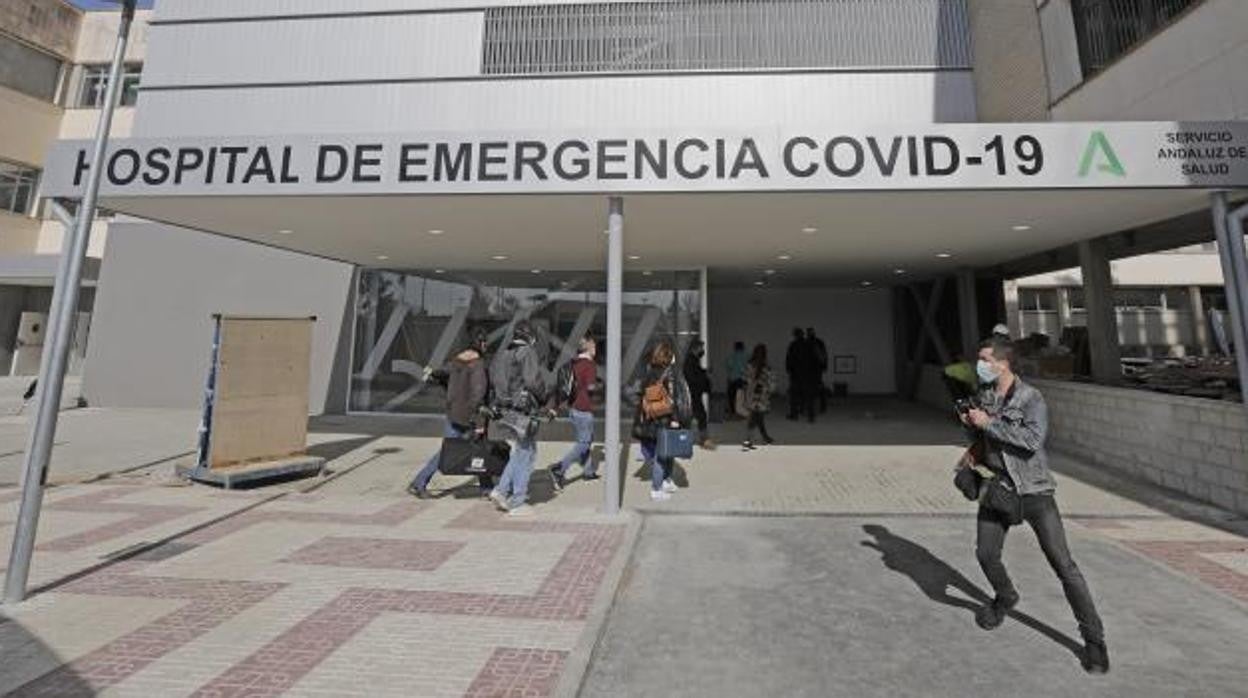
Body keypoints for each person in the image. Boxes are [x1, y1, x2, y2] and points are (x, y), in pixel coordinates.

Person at [959, 338, 1108, 674]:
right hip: (997, 489)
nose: (979, 365)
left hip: (1035, 492)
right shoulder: (985, 396)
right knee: (985, 553)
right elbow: (986, 439)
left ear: (1002, 363)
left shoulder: (1031, 398)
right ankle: (1005, 596)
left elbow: (1031, 441)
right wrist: (972, 426)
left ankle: (1094, 640)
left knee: (1064, 567)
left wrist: (989, 424)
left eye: (984, 360)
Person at [407, 331, 492, 499]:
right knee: (480, 451)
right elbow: (478, 394)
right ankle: (487, 489)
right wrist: (480, 421)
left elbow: (440, 374)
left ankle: (420, 482)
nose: (486, 346)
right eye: (485, 343)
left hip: (454, 415)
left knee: (448, 451)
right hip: (470, 417)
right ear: (480, 344)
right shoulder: (478, 364)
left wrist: (431, 374)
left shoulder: (455, 361)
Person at [488, 321, 554, 517]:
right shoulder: (526, 352)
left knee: (519, 451)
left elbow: (494, 380)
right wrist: (544, 397)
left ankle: (500, 490)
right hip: (523, 410)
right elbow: (532, 380)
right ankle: (517, 501)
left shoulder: (502, 354)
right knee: (528, 453)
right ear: (529, 336)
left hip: (505, 409)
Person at [633, 340, 692, 502]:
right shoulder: (670, 372)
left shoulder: (650, 372)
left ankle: (666, 481)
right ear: (669, 356)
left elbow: (642, 394)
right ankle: (656, 489)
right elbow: (673, 398)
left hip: (653, 418)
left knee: (665, 452)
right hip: (666, 419)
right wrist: (675, 419)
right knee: (664, 454)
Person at [549, 336, 599, 491]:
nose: (596, 349)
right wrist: (600, 387)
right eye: (594, 346)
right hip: (584, 408)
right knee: (584, 442)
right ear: (589, 348)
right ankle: (559, 468)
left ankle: (589, 471)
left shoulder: (574, 363)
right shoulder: (589, 365)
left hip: (573, 407)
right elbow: (590, 387)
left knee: (585, 440)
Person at [682, 339, 715, 448]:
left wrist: (705, 372)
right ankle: (703, 440)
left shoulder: (693, 360)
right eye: (701, 348)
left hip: (695, 393)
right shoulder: (690, 361)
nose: (702, 350)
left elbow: (697, 372)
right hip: (693, 394)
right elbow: (693, 377)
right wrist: (704, 378)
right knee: (700, 416)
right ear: (695, 348)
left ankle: (687, 439)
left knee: (694, 417)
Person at [742, 344, 775, 450]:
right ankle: (749, 440)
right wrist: (770, 390)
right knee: (756, 417)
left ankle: (764, 437)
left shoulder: (749, 365)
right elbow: (771, 382)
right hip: (762, 396)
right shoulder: (767, 367)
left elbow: (745, 379)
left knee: (757, 417)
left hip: (752, 395)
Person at [785, 327, 816, 422]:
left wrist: (789, 371)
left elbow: (789, 360)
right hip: (808, 374)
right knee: (809, 396)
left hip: (796, 374)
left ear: (795, 335)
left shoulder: (793, 345)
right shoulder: (809, 344)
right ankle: (811, 417)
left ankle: (794, 415)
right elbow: (814, 360)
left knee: (794, 396)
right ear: (803, 334)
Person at [807, 328, 829, 414]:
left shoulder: (807, 343)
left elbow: (823, 355)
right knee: (818, 387)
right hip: (817, 369)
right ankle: (822, 407)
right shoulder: (819, 342)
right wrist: (824, 366)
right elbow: (824, 355)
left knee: (812, 388)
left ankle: (812, 407)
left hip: (811, 370)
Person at [725, 341, 748, 420]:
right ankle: (740, 413)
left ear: (735, 347)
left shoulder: (731, 356)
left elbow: (729, 367)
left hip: (732, 380)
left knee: (731, 397)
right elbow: (747, 369)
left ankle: (732, 412)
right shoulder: (746, 356)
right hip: (741, 380)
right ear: (742, 347)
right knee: (740, 398)